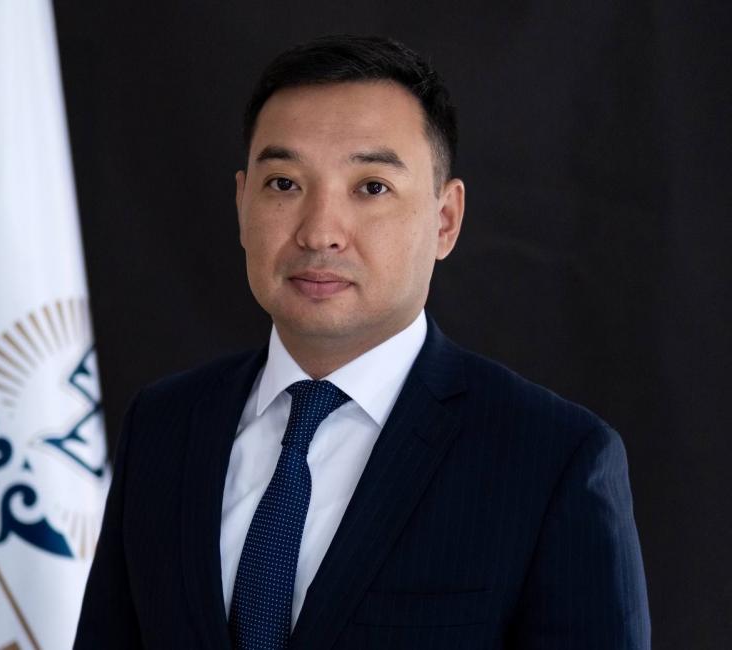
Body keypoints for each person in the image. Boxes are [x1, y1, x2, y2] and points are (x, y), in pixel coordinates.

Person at [74, 34, 650, 649]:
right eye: (284, 184)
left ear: (445, 220)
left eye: (371, 187)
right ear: (242, 204)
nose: (319, 232)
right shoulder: (163, 427)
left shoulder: (553, 460)